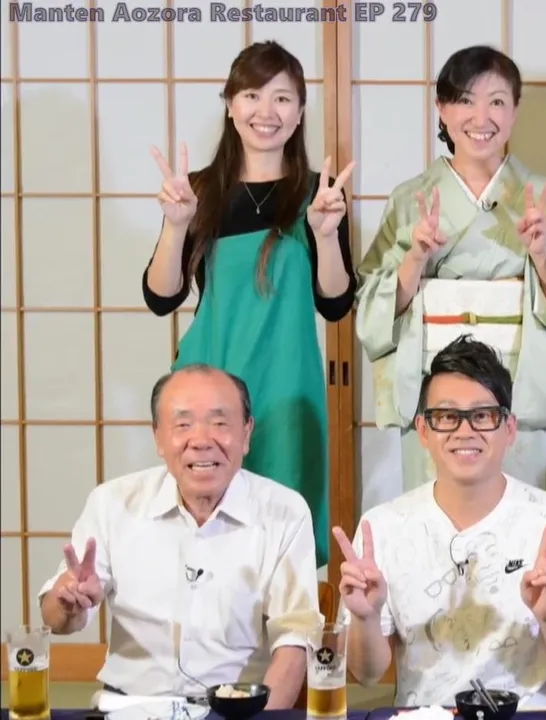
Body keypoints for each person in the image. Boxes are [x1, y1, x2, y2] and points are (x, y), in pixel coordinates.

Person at [141, 41, 356, 568]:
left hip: (287, 382)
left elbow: (335, 303)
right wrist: (176, 225)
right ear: (230, 105)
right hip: (209, 374)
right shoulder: (199, 191)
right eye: (253, 95)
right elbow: (161, 296)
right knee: (203, 526)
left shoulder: (319, 193)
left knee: (282, 531)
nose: (267, 111)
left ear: (300, 112)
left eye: (282, 98)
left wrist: (326, 234)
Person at [356, 45, 546, 494]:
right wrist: (415, 258)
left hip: (517, 389)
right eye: (465, 100)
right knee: (434, 513)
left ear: (515, 111)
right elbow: (371, 311)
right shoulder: (409, 199)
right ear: (442, 109)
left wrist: (541, 257)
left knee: (520, 515)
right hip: (435, 389)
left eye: (497, 101)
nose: (481, 117)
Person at [334, 335, 546, 707]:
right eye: (447, 416)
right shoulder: (382, 527)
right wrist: (366, 619)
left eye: (482, 416)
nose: (465, 431)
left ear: (509, 428)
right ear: (424, 430)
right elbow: (366, 674)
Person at [38, 365, 320, 707]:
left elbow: (294, 643)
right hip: (130, 708)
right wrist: (67, 604)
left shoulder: (284, 512)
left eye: (219, 423)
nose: (201, 441)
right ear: (158, 437)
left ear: (247, 434)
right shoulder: (112, 503)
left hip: (232, 709)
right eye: (183, 425)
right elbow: (57, 620)